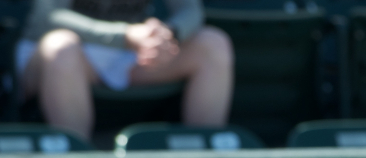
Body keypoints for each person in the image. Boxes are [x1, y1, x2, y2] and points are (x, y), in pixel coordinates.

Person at [17, 0, 233, 140]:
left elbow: (190, 10)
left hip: (132, 50)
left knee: (213, 44)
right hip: (60, 51)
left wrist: (169, 35)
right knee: (62, 48)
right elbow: (48, 17)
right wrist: (124, 36)